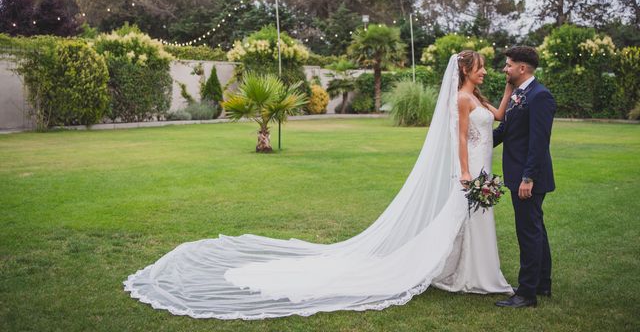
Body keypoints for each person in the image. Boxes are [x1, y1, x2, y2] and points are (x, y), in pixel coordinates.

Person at [124, 52, 513, 320]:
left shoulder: (476, 95)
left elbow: (496, 116)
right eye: (480, 68)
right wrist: (465, 174)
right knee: (458, 218)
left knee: (469, 222)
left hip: (482, 168)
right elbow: (460, 140)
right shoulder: (461, 99)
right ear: (465, 71)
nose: (484, 72)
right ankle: (463, 273)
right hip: (469, 171)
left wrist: (511, 87)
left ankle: (464, 271)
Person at [493, 46, 556, 309]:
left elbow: (539, 142)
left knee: (528, 232)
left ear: (522, 68)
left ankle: (526, 293)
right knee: (536, 229)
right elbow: (506, 130)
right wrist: (474, 144)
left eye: (508, 65)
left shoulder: (540, 96)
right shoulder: (520, 94)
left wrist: (528, 177)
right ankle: (541, 283)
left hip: (528, 177)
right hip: (521, 174)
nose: (505, 69)